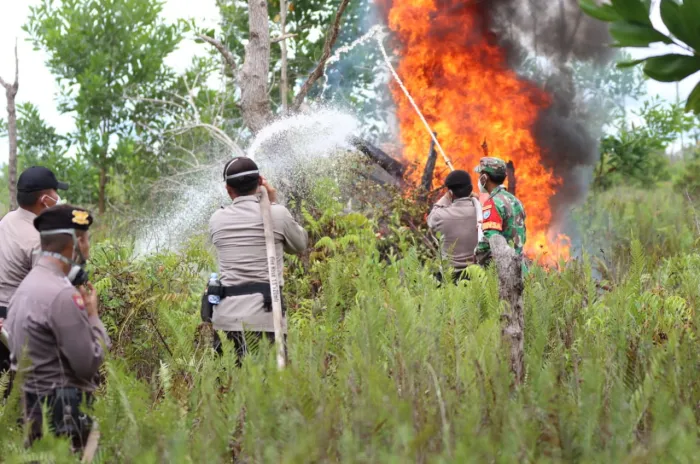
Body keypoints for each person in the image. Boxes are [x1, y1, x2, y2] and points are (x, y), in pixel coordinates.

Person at [5, 205, 109, 451]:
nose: (88, 246)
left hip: (33, 411)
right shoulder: (61, 294)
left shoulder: (26, 287)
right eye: (86, 240)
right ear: (77, 242)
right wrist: (93, 317)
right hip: (62, 418)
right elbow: (88, 363)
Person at [208, 157, 308, 363]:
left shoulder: (217, 219)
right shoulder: (276, 214)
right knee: (270, 390)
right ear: (260, 182)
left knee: (228, 389)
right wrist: (271, 202)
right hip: (266, 320)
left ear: (228, 190)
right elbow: (299, 245)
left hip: (227, 321)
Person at [0, 166, 68, 381]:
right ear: (45, 200)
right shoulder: (38, 239)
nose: (59, 198)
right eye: (56, 193)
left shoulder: (8, 220)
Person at [427, 169, 480, 282]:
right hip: (476, 277)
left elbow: (430, 219)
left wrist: (446, 197)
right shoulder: (481, 214)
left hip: (448, 278)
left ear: (450, 192)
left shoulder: (440, 215)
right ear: (470, 189)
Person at [474, 157, 527, 265]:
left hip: (503, 270)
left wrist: (478, 253)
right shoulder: (516, 201)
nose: (479, 178)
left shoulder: (492, 203)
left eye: (480, 175)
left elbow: (492, 240)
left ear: (485, 177)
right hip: (519, 265)